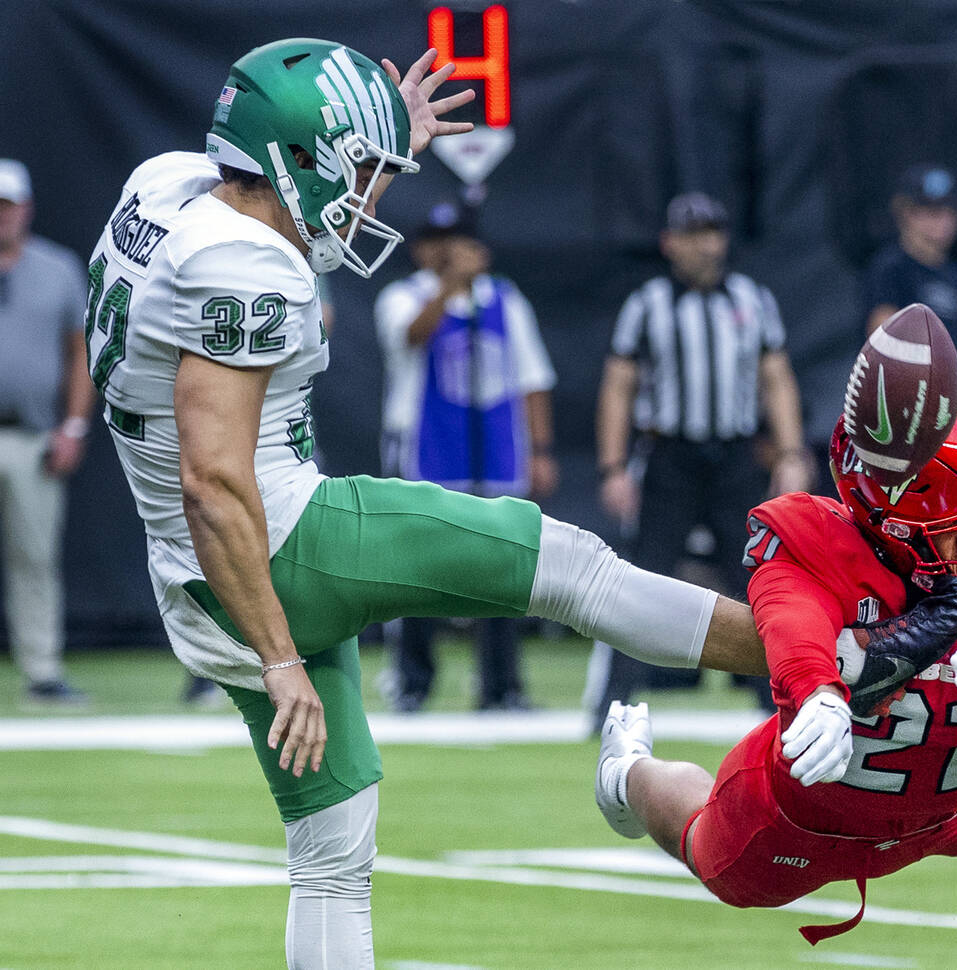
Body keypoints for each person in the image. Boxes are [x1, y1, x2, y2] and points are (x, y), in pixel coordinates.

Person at [86, 38, 767, 969]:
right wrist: (281, 656)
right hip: (276, 548)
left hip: (194, 577)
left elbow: (256, 185)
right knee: (568, 566)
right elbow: (216, 481)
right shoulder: (244, 268)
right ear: (300, 160)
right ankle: (837, 656)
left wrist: (371, 126)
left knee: (330, 856)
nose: (370, 197)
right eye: (360, 169)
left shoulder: (164, 187)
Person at [595, 397, 957, 944]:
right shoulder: (816, 542)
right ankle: (626, 770)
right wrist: (818, 692)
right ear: (891, 520)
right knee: (720, 865)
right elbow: (793, 625)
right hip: (804, 813)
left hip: (952, 800)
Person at [589, 191, 812, 724]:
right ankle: (611, 703)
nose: (706, 246)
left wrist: (789, 452)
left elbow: (776, 379)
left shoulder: (753, 299)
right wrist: (614, 466)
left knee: (759, 579)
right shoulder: (647, 305)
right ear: (670, 243)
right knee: (641, 578)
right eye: (693, 235)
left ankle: (777, 699)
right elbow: (618, 386)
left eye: (713, 233)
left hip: (735, 458)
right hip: (671, 457)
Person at [375, 200, 558, 712]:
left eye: (457, 240)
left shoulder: (504, 299)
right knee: (416, 568)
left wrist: (539, 448)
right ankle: (413, 680)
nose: (447, 251)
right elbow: (411, 337)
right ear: (419, 249)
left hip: (493, 449)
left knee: (502, 567)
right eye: (437, 242)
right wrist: (449, 286)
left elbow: (531, 377)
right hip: (421, 449)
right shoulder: (401, 297)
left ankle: (501, 685)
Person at [0, 158, 96, 703]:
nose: (1, 218)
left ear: (26, 209)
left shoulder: (57, 268)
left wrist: (74, 426)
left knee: (34, 557)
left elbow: (80, 351)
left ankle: (41, 670)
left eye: (7, 207)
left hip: (32, 435)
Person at [864, 164, 957, 407]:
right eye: (930, 212)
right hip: (904, 403)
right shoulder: (890, 267)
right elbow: (883, 347)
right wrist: (949, 388)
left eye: (948, 212)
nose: (941, 222)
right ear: (905, 213)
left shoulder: (955, 273)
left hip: (947, 404)